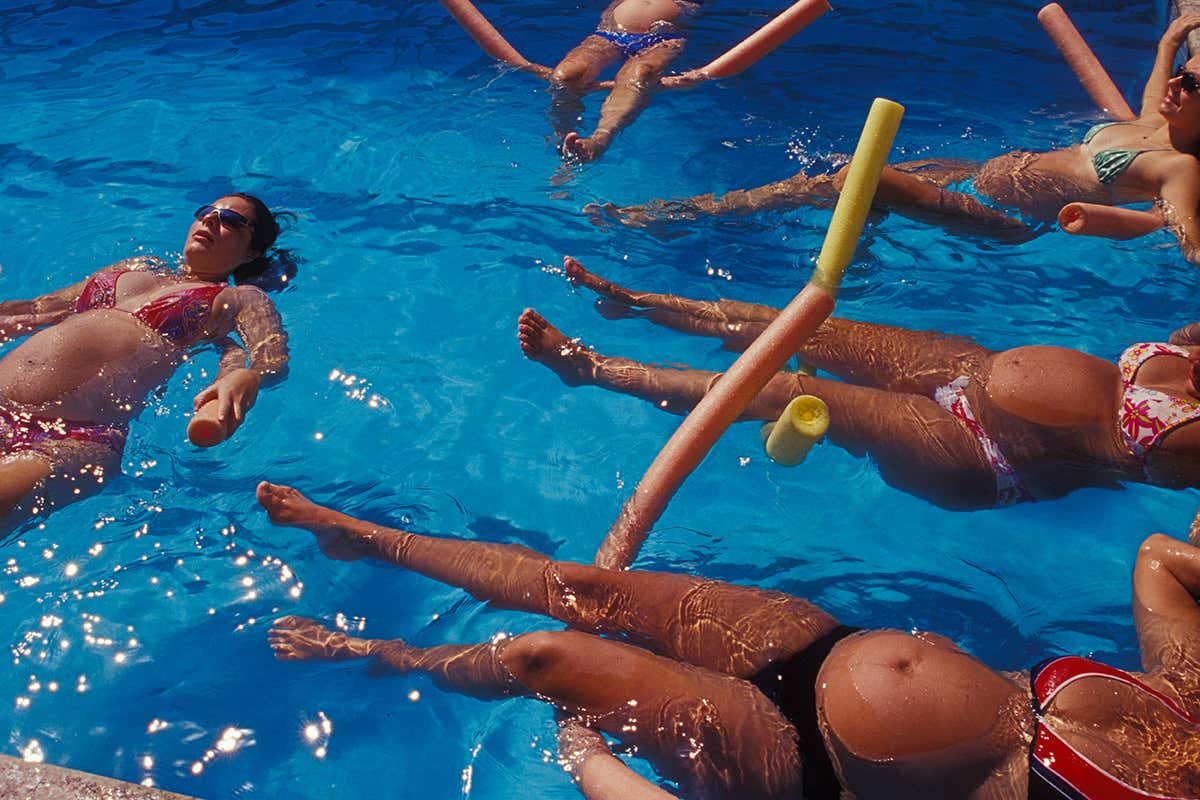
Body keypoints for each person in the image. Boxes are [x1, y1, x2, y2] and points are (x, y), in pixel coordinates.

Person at [260, 480, 1200, 799]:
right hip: (825, 644)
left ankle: (376, 654)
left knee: (533, 658)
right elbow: (1162, 559)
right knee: (583, 586)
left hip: (807, 764)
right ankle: (360, 533)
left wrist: (600, 774)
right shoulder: (1189, 700)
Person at [518, 256, 1200, 510]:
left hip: (977, 452)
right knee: (794, 325)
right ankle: (635, 299)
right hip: (971, 368)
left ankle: (590, 370)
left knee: (785, 390)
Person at [589, 14, 1200, 260]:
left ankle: (676, 216)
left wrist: (1156, 224)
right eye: (1180, 76)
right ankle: (850, 252)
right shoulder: (1155, 122)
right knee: (841, 173)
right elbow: (1153, 82)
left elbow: (1185, 239)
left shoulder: (1182, 169)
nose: (1175, 85)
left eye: (1191, 84)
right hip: (980, 168)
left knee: (852, 178)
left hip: (1000, 213)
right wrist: (1173, 40)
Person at [0, 193, 290, 522]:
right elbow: (38, 310)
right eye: (206, 211)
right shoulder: (137, 266)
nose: (210, 219)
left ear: (251, 252)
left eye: (232, 221)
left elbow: (272, 359)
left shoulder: (239, 298)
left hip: (71, 439)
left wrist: (249, 376)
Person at [551, 0, 702, 163]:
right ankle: (563, 138)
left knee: (638, 74)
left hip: (665, 39)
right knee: (565, 75)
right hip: (609, 33)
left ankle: (599, 141)